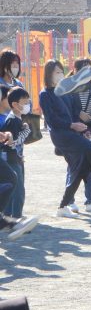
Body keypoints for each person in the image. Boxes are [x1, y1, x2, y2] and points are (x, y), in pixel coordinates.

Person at [39, 59, 91, 218]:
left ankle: (69, 205)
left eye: (61, 71)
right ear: (49, 74)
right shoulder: (45, 94)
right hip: (61, 135)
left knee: (82, 169)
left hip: (74, 133)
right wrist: (71, 125)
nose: (60, 75)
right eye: (57, 72)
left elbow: (75, 114)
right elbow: (51, 120)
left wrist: (83, 131)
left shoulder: (67, 92)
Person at [65, 58, 91, 213]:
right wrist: (78, 115)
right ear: (76, 71)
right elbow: (65, 111)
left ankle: (90, 202)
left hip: (90, 132)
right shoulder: (68, 88)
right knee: (74, 167)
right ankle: (69, 201)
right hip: (73, 132)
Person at [0, 87, 31, 218]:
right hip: (10, 159)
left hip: (15, 158)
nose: (28, 105)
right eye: (25, 103)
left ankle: (8, 215)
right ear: (15, 104)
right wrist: (26, 131)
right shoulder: (12, 120)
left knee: (13, 186)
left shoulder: (17, 119)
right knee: (18, 189)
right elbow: (14, 141)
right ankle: (17, 217)